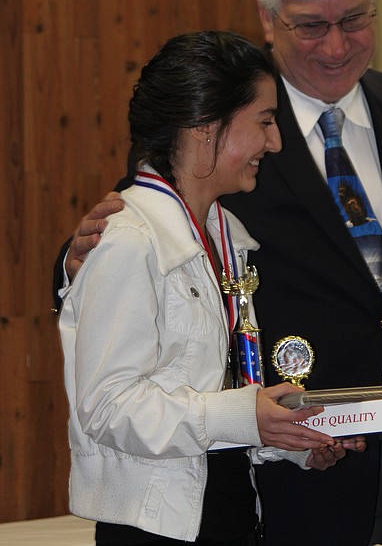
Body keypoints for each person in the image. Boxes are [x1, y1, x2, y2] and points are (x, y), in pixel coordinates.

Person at [55, 0, 382, 546]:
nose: (338, 45)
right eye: (313, 26)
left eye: (355, 20)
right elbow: (135, 243)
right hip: (265, 485)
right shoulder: (218, 133)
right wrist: (72, 264)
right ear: (270, 21)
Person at [57, 31, 363, 546]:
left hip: (230, 512)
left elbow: (210, 395)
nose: (276, 142)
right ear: (205, 128)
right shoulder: (130, 238)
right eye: (264, 121)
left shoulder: (227, 237)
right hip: (156, 528)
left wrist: (287, 438)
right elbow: (108, 408)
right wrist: (247, 415)